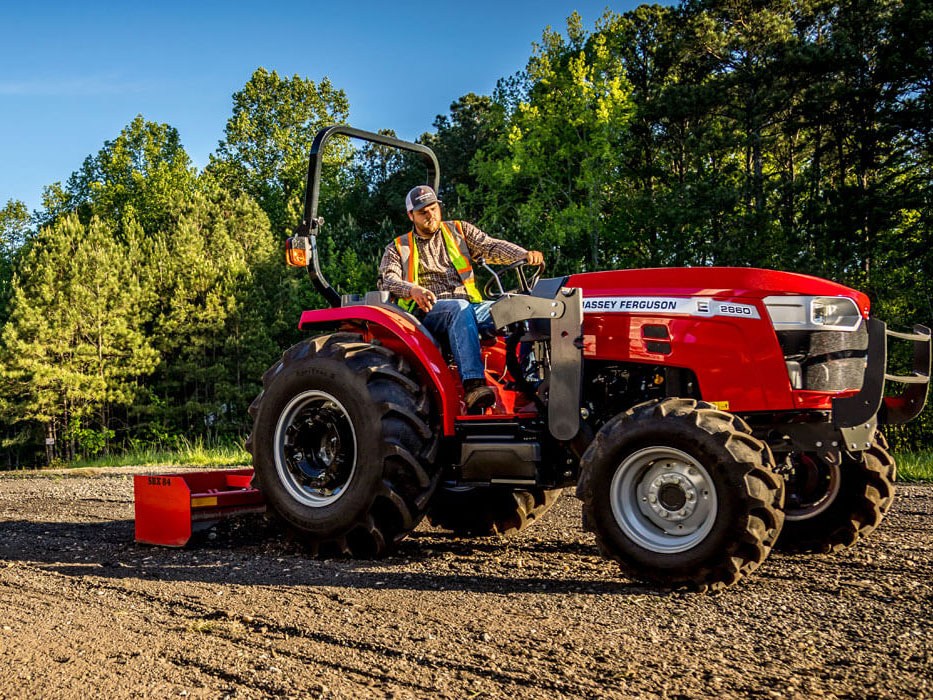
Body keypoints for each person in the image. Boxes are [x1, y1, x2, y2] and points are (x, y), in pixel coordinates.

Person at [378, 185, 544, 413]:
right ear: (411, 216)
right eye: (422, 212)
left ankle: (529, 386)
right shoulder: (398, 248)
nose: (430, 215)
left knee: (522, 307)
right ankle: (473, 385)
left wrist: (523, 254)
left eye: (433, 208)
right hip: (427, 314)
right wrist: (412, 289)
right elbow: (387, 279)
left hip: (470, 308)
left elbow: (490, 246)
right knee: (459, 308)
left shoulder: (458, 230)